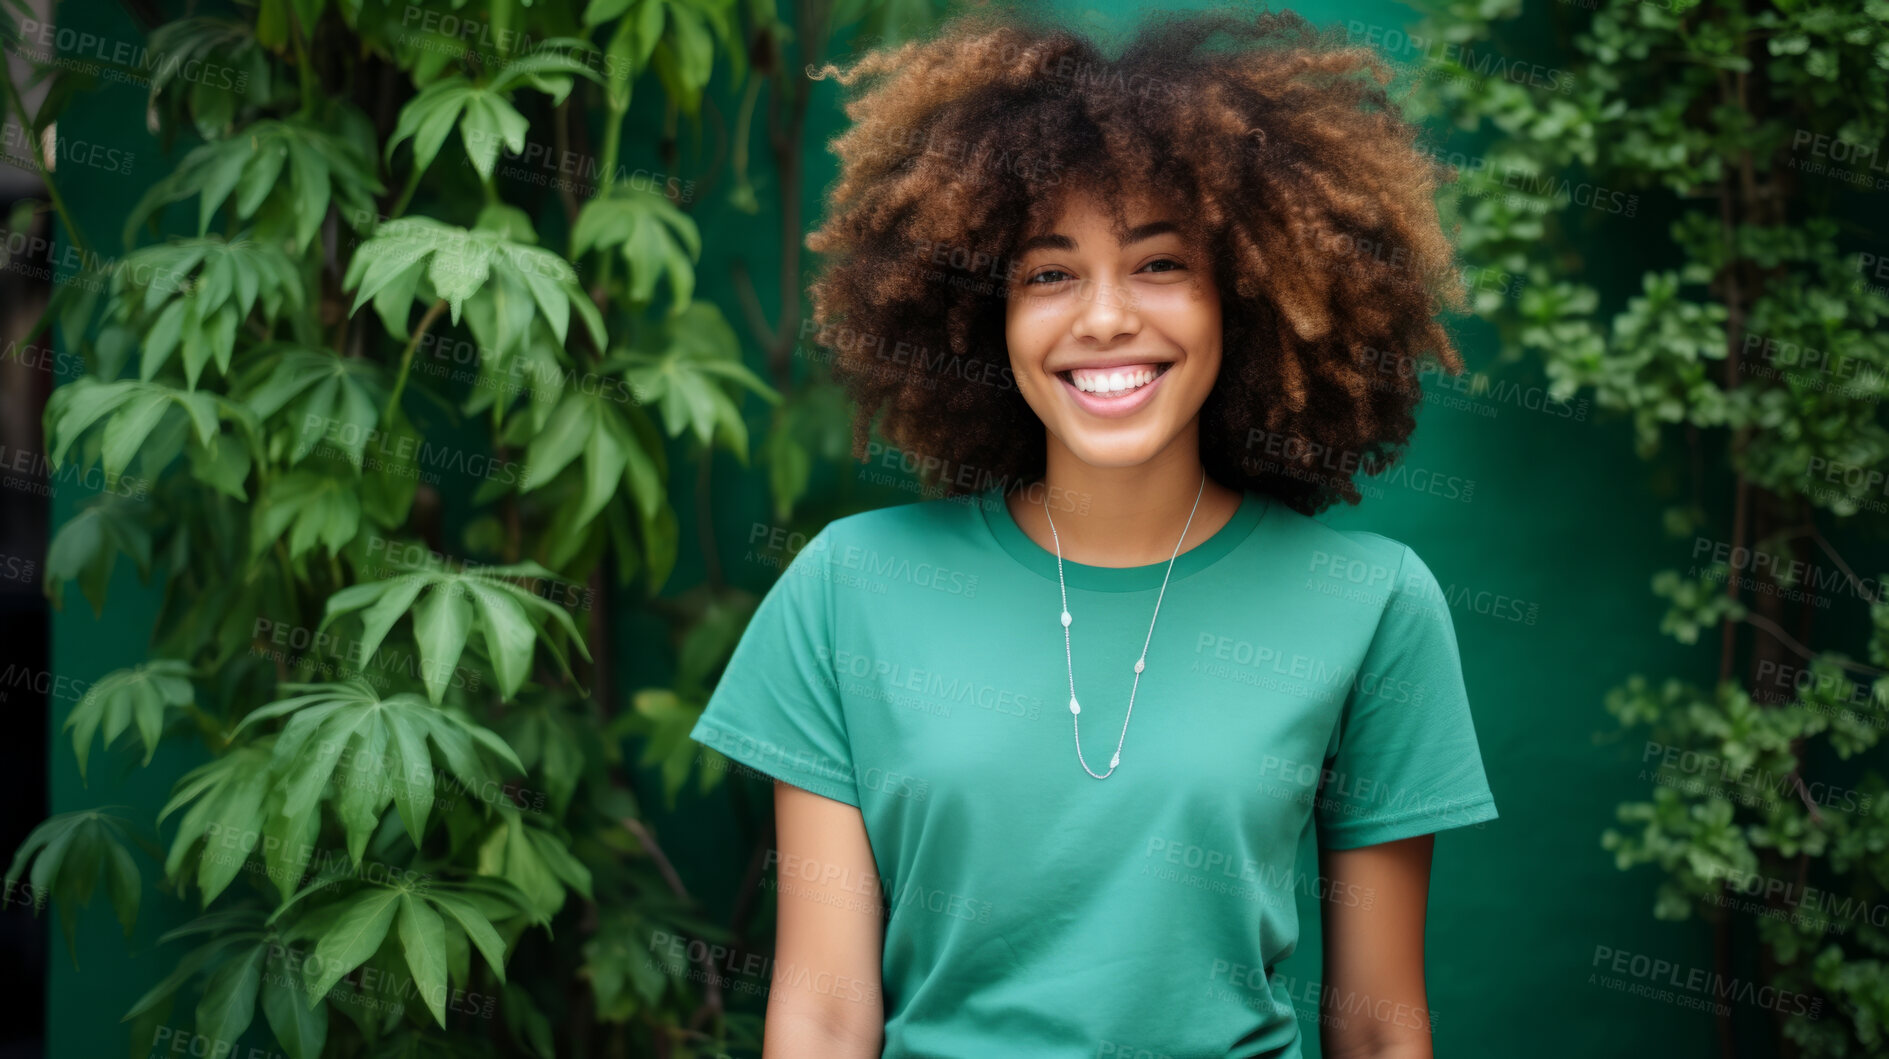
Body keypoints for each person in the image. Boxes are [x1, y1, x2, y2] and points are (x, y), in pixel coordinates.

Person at [689, 4, 1497, 1056]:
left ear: (1245, 300)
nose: (1104, 317)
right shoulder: (850, 586)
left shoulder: (1371, 603)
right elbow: (825, 1018)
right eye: (1047, 273)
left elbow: (1381, 1034)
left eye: (1159, 264)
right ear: (984, 314)